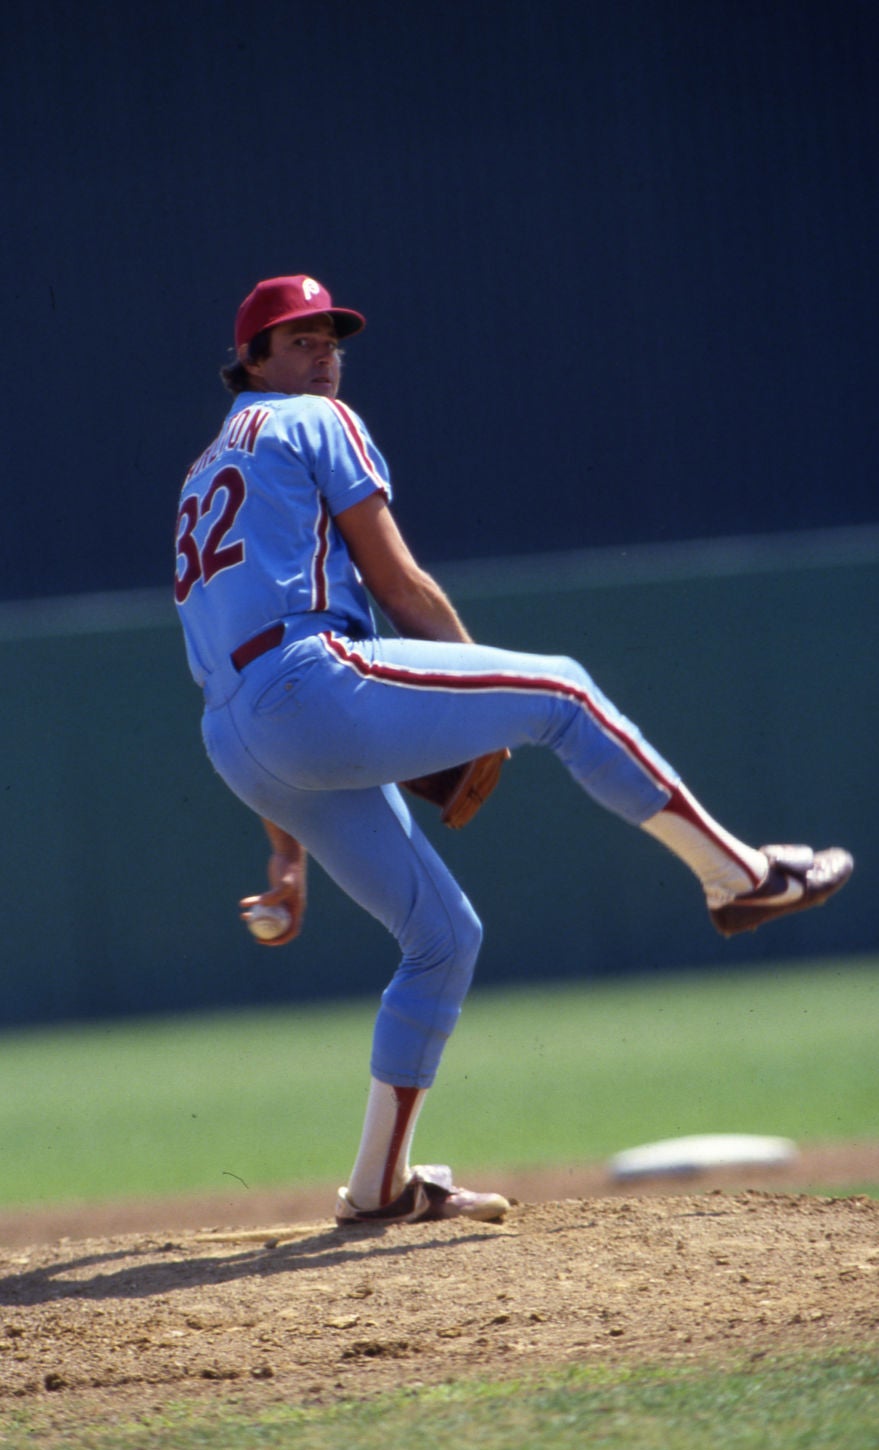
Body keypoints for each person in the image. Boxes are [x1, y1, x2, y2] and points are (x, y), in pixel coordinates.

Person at [174, 273, 853, 1228]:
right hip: (307, 677)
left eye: (330, 337)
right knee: (563, 688)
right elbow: (398, 582)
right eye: (296, 340)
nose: (322, 353)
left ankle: (377, 1185)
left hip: (239, 734)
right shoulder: (314, 421)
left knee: (443, 939)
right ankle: (736, 874)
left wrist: (284, 855)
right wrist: (479, 706)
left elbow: (238, 673)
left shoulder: (204, 471)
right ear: (250, 362)